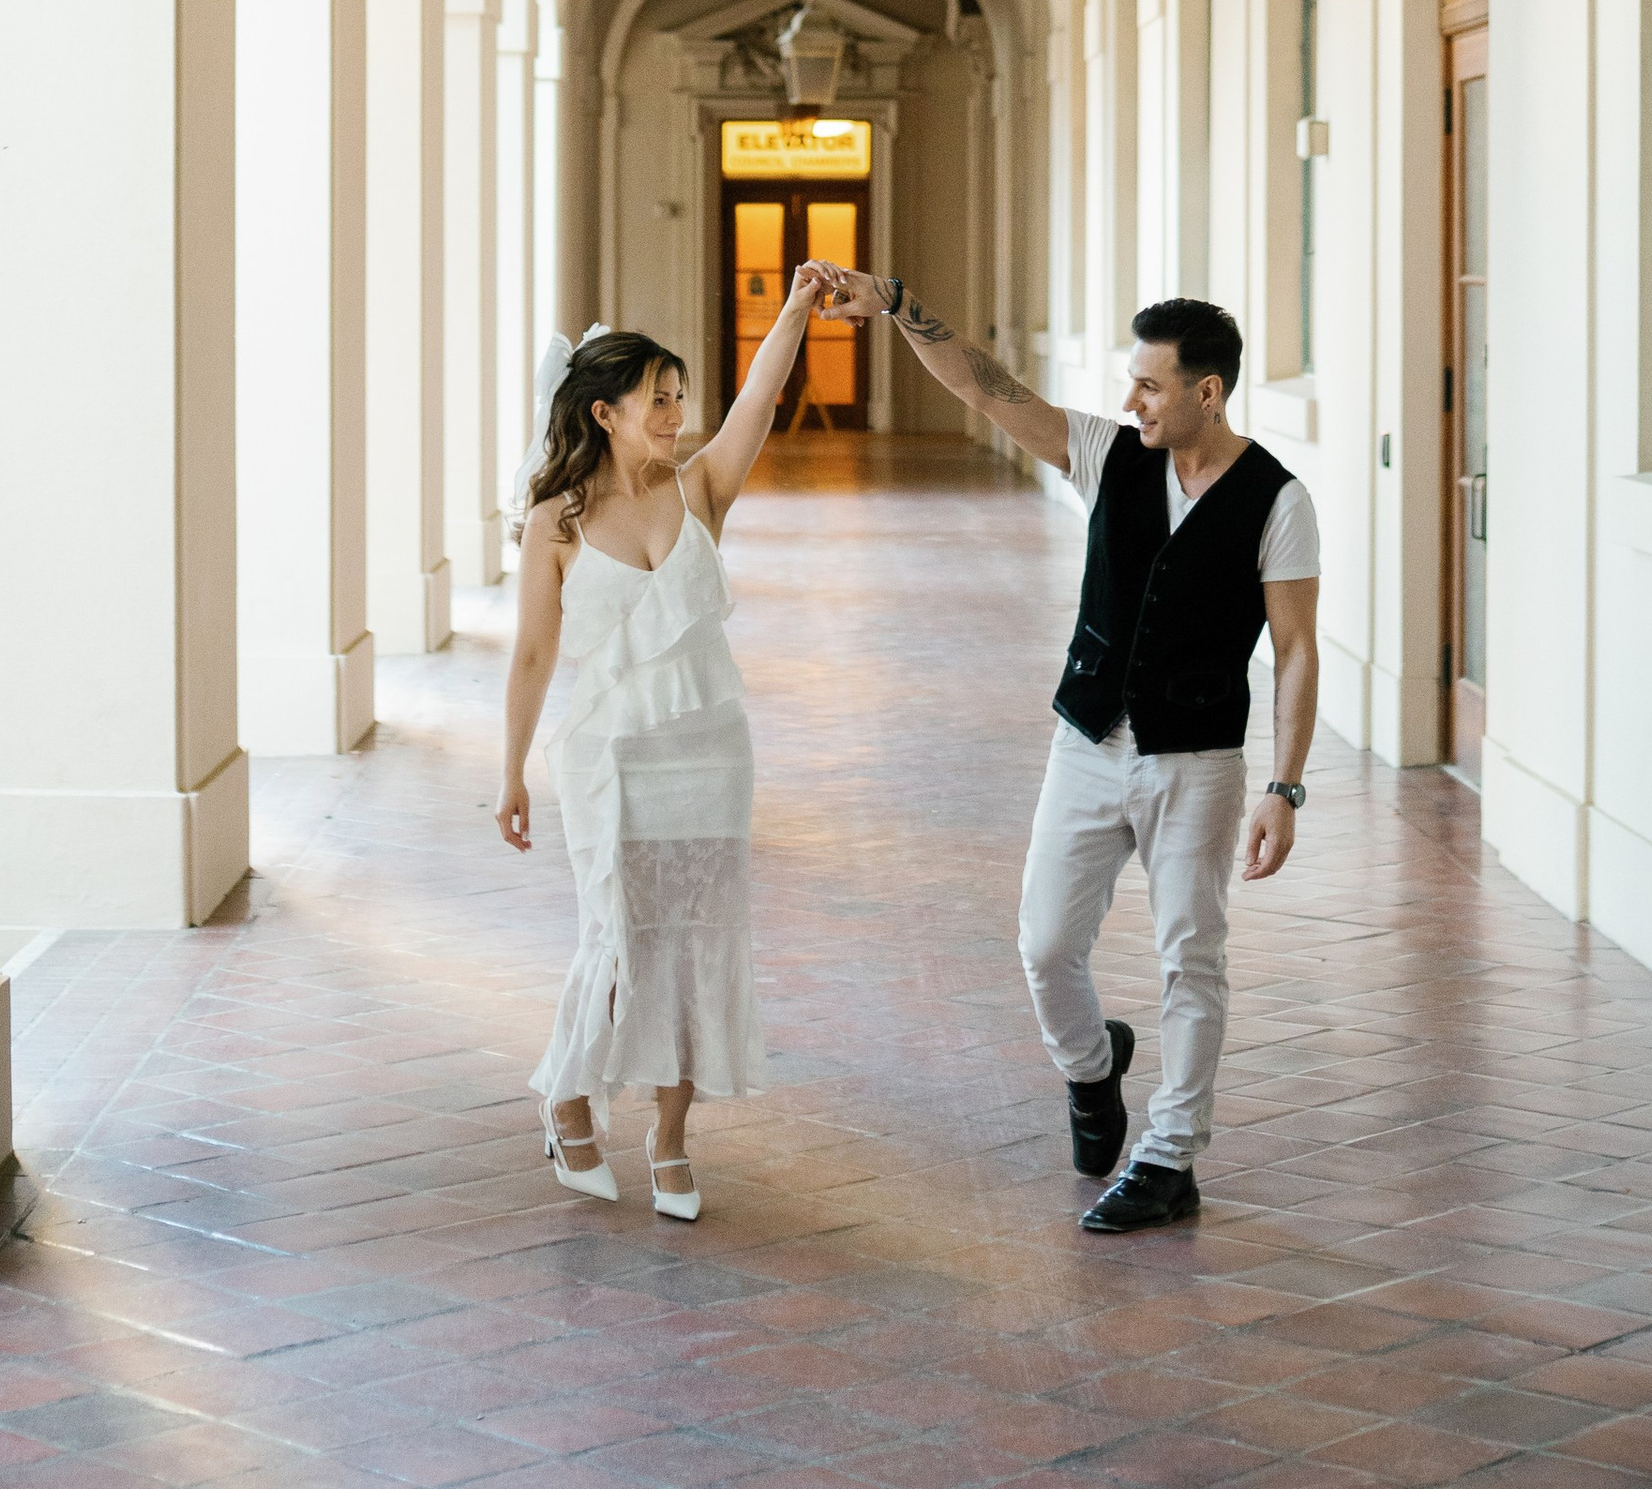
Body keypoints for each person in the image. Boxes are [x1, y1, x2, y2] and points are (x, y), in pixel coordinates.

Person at [827, 278, 1318, 1231]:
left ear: (1206, 394)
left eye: (1149, 386)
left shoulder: (1277, 501)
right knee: (1045, 943)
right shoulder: (1109, 454)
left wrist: (1283, 786)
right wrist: (892, 302)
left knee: (1193, 957)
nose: (1131, 401)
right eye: (1130, 383)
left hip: (1198, 762)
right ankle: (1094, 1070)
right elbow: (985, 389)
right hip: (1087, 744)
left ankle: (1171, 1155)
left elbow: (1294, 651)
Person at [496, 266, 834, 1221]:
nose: (678, 415)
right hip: (610, 759)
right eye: (659, 401)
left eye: (682, 397)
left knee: (697, 944)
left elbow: (762, 398)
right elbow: (530, 653)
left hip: (712, 749)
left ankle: (672, 1139)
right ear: (604, 414)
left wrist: (797, 310)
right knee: (618, 938)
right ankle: (567, 1100)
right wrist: (511, 770)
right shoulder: (555, 521)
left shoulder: (702, 491)